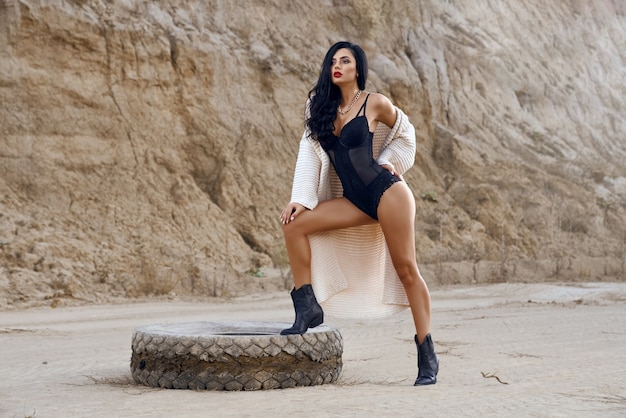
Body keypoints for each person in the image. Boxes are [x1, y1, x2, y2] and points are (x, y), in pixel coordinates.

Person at [279, 41, 439, 386]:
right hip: (353, 199)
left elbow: (405, 133)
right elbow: (308, 154)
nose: (337, 65)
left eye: (345, 60)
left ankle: (426, 353)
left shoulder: (373, 102)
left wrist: (390, 161)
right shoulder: (318, 108)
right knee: (294, 225)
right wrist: (300, 199)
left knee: (407, 270)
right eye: (333, 61)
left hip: (387, 193)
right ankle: (307, 306)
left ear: (357, 68)